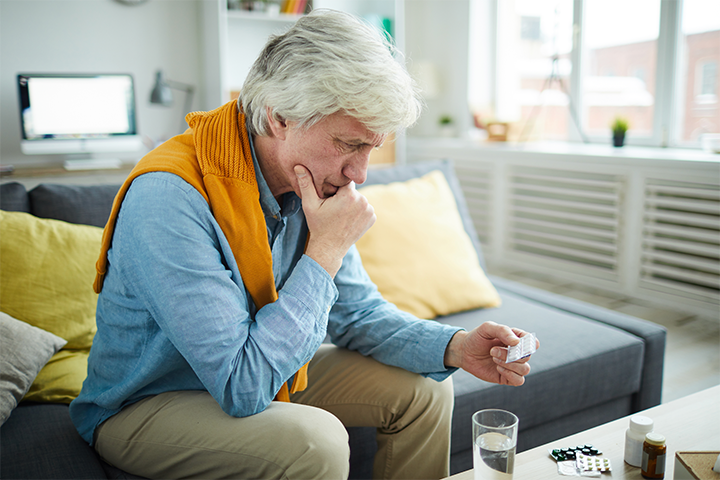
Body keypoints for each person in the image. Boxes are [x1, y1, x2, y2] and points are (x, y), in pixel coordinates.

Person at [70, 9, 537, 480]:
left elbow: (359, 315)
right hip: (149, 402)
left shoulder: (314, 187)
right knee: (316, 442)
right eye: (348, 144)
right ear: (279, 118)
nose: (360, 174)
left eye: (371, 148)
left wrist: (457, 346)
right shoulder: (169, 197)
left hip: (262, 370)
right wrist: (325, 252)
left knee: (427, 390)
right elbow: (241, 383)